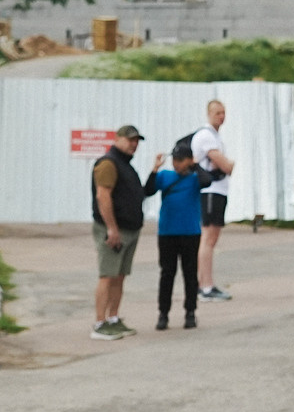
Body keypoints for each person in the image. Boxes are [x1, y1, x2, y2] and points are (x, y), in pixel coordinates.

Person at [89, 124, 146, 340]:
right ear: (117, 139)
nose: (134, 144)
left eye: (137, 141)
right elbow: (103, 197)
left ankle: (113, 318)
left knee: (119, 276)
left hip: (129, 229)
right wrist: (112, 228)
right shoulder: (108, 164)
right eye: (130, 140)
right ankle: (100, 323)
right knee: (107, 275)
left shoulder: (125, 165)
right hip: (113, 230)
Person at [146, 139, 207, 331]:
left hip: (190, 232)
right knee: (167, 273)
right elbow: (147, 190)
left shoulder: (196, 178)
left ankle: (190, 312)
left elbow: (208, 181)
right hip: (167, 232)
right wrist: (155, 169)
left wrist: (196, 165)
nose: (177, 164)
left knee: (190, 274)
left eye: (181, 160)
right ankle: (163, 313)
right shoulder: (164, 176)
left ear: (189, 160)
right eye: (175, 160)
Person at [190, 99, 236, 301]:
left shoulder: (216, 137)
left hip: (218, 191)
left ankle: (206, 283)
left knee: (211, 238)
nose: (221, 116)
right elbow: (226, 166)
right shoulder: (206, 136)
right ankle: (205, 286)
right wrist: (227, 164)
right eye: (218, 113)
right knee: (208, 238)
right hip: (211, 190)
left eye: (223, 113)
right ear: (209, 113)